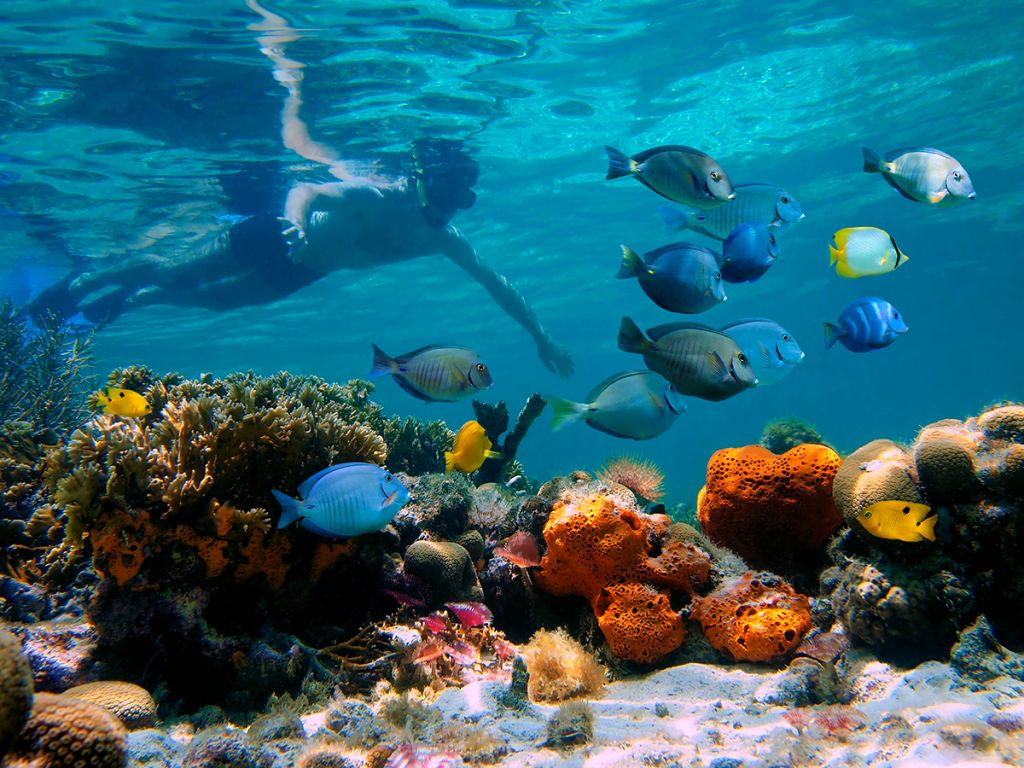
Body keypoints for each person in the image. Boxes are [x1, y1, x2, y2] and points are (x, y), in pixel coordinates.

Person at [27, 2, 574, 378]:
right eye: (449, 193)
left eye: (460, 201)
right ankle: (86, 282)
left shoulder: (442, 238)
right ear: (425, 180)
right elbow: (308, 193)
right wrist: (291, 220)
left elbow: (495, 284)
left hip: (306, 269)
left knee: (214, 301)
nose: (452, 207)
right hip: (276, 235)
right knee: (172, 269)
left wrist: (541, 337)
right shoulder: (377, 194)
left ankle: (127, 301)